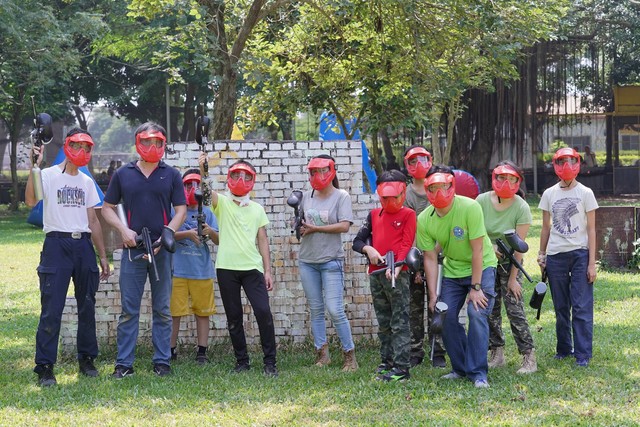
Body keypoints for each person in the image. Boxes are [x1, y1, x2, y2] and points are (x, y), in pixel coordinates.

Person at [25, 128, 110, 387]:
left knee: (87, 305)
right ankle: (45, 367)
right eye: (77, 146)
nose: (82, 152)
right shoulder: (48, 175)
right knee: (52, 308)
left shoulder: (86, 182)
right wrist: (34, 168)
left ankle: (86, 359)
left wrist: (102, 256)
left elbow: (93, 221)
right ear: (67, 145)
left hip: (83, 246)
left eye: (87, 148)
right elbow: (30, 200)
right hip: (56, 245)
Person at [101, 122, 186, 378]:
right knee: (129, 310)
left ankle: (162, 362)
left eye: (158, 142)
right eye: (147, 141)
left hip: (161, 251)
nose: (152, 146)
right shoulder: (123, 174)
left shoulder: (171, 174)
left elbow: (181, 210)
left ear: (163, 144)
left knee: (162, 308)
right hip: (132, 251)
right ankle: (124, 364)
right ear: (138, 143)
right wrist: (122, 231)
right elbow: (107, 208)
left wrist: (167, 235)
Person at [417, 165, 497, 388]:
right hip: (453, 271)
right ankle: (461, 368)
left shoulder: (470, 207)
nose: (439, 192)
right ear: (427, 189)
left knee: (477, 312)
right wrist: (433, 296)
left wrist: (476, 287)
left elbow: (478, 250)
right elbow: (430, 257)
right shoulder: (424, 219)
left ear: (452, 186)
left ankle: (478, 372)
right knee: (446, 316)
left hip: (482, 266)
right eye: (433, 188)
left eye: (443, 187)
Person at [205, 156, 278, 377]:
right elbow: (206, 190)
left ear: (252, 180)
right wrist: (203, 167)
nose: (240, 179)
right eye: (236, 175)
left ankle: (270, 362)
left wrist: (268, 270)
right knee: (234, 317)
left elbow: (262, 239)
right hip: (226, 268)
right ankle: (242, 361)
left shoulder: (257, 209)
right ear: (229, 178)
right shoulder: (222, 203)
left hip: (252, 269)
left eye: (246, 176)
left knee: (263, 312)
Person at [353, 170, 416, 382]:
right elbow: (357, 242)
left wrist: (397, 266)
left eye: (394, 197)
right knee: (384, 322)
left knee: (399, 321)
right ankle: (386, 361)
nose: (390, 201)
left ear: (402, 193)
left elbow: (406, 243)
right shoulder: (373, 215)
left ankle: (401, 368)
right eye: (386, 197)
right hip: (377, 274)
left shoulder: (408, 215)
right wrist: (368, 251)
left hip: (398, 274)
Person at [296, 155, 358, 371]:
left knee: (335, 309)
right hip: (307, 260)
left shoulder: (341, 196)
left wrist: (317, 228)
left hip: (331, 261)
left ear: (332, 171)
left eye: (322, 171)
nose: (317, 176)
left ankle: (350, 357)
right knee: (316, 309)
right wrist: (301, 229)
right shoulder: (306, 196)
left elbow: (344, 226)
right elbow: (300, 226)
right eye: (313, 172)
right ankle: (322, 356)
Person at [538, 147, 598, 367]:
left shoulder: (586, 193)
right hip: (555, 256)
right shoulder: (549, 194)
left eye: (571, 161)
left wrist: (592, 263)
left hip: (580, 254)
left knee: (581, 306)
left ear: (578, 163)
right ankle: (564, 349)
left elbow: (592, 229)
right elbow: (545, 227)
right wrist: (541, 253)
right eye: (562, 161)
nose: (567, 166)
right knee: (561, 307)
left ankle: (583, 354)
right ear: (555, 165)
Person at [476, 161, 537, 374]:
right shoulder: (481, 201)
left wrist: (513, 278)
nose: (506, 183)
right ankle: (497, 352)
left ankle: (529, 356)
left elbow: (519, 248)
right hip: (486, 263)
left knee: (515, 309)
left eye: (512, 179)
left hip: (511, 264)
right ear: (494, 178)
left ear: (518, 181)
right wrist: (489, 246)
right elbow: (473, 232)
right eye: (502, 178)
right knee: (490, 309)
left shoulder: (521, 206)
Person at [402, 145, 446, 368]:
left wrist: (435, 251)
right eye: (413, 160)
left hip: (439, 256)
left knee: (437, 305)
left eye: (423, 159)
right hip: (414, 257)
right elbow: (408, 231)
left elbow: (444, 223)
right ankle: (415, 351)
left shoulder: (437, 187)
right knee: (415, 307)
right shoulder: (406, 193)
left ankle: (437, 350)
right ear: (406, 164)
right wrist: (416, 265)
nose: (419, 164)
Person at [170, 169, 219, 365]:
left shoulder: (207, 212)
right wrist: (188, 234)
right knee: (175, 313)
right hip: (177, 270)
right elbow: (166, 233)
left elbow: (218, 240)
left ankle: (202, 352)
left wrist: (209, 231)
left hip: (201, 271)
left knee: (203, 312)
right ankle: (170, 350)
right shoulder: (175, 211)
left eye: (196, 185)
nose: (192, 189)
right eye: (188, 185)